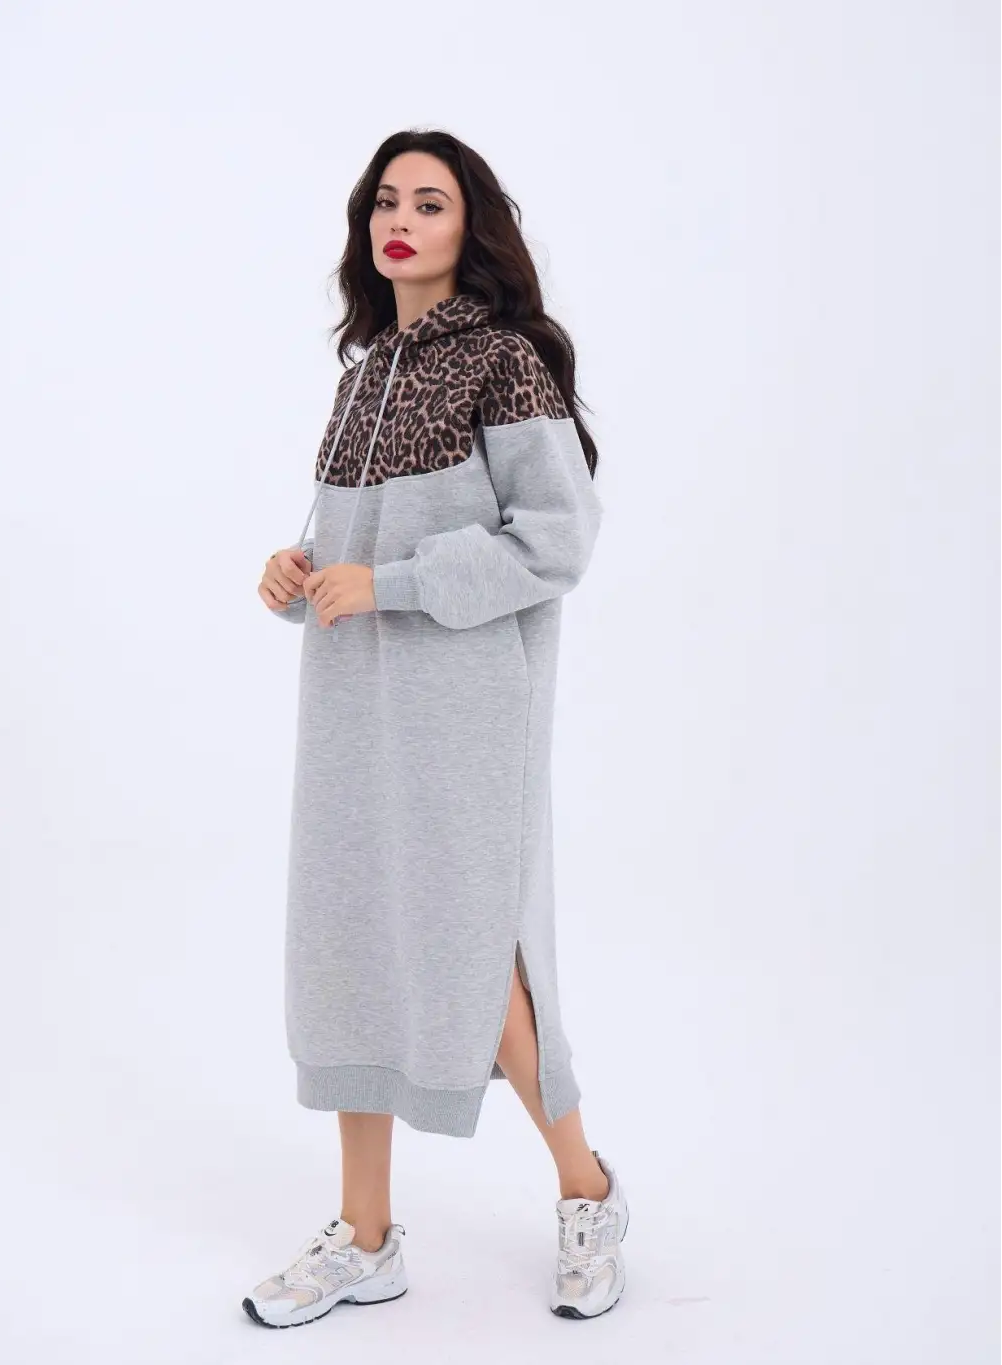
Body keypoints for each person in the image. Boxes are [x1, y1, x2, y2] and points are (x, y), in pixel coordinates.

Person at [244, 129, 628, 1328]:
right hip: (351, 704)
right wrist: (296, 568)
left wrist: (394, 585)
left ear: (472, 228)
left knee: (480, 960)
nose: (400, 221)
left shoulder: (503, 363)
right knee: (349, 941)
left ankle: (586, 1188)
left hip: (462, 708)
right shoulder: (364, 375)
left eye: (429, 202)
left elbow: (557, 539)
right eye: (385, 203)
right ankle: (365, 1237)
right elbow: (347, 553)